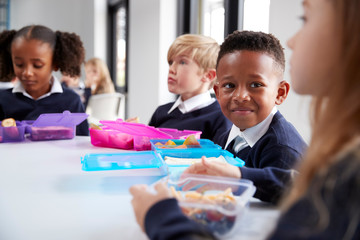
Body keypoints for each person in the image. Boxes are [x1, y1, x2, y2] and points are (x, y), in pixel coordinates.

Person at [130, 0, 360, 239]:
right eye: (229, 85)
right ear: (217, 90)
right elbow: (298, 184)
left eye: (305, 19)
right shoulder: (338, 161)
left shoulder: (290, 151)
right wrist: (239, 176)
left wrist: (161, 217)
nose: (292, 41)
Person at [184, 31, 306, 204]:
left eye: (256, 85)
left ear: (280, 93)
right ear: (217, 93)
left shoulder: (282, 150)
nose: (241, 96)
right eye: (229, 85)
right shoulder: (226, 137)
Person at [0, 25, 89, 136]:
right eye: (19, 64)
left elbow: (82, 144)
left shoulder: (71, 101)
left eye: (37, 65)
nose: (27, 72)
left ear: (55, 64)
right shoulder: (3, 100)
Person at [148, 34, 232, 141]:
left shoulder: (221, 117)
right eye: (171, 62)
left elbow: (219, 157)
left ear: (208, 75)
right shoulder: (161, 112)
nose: (171, 69)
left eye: (182, 62)